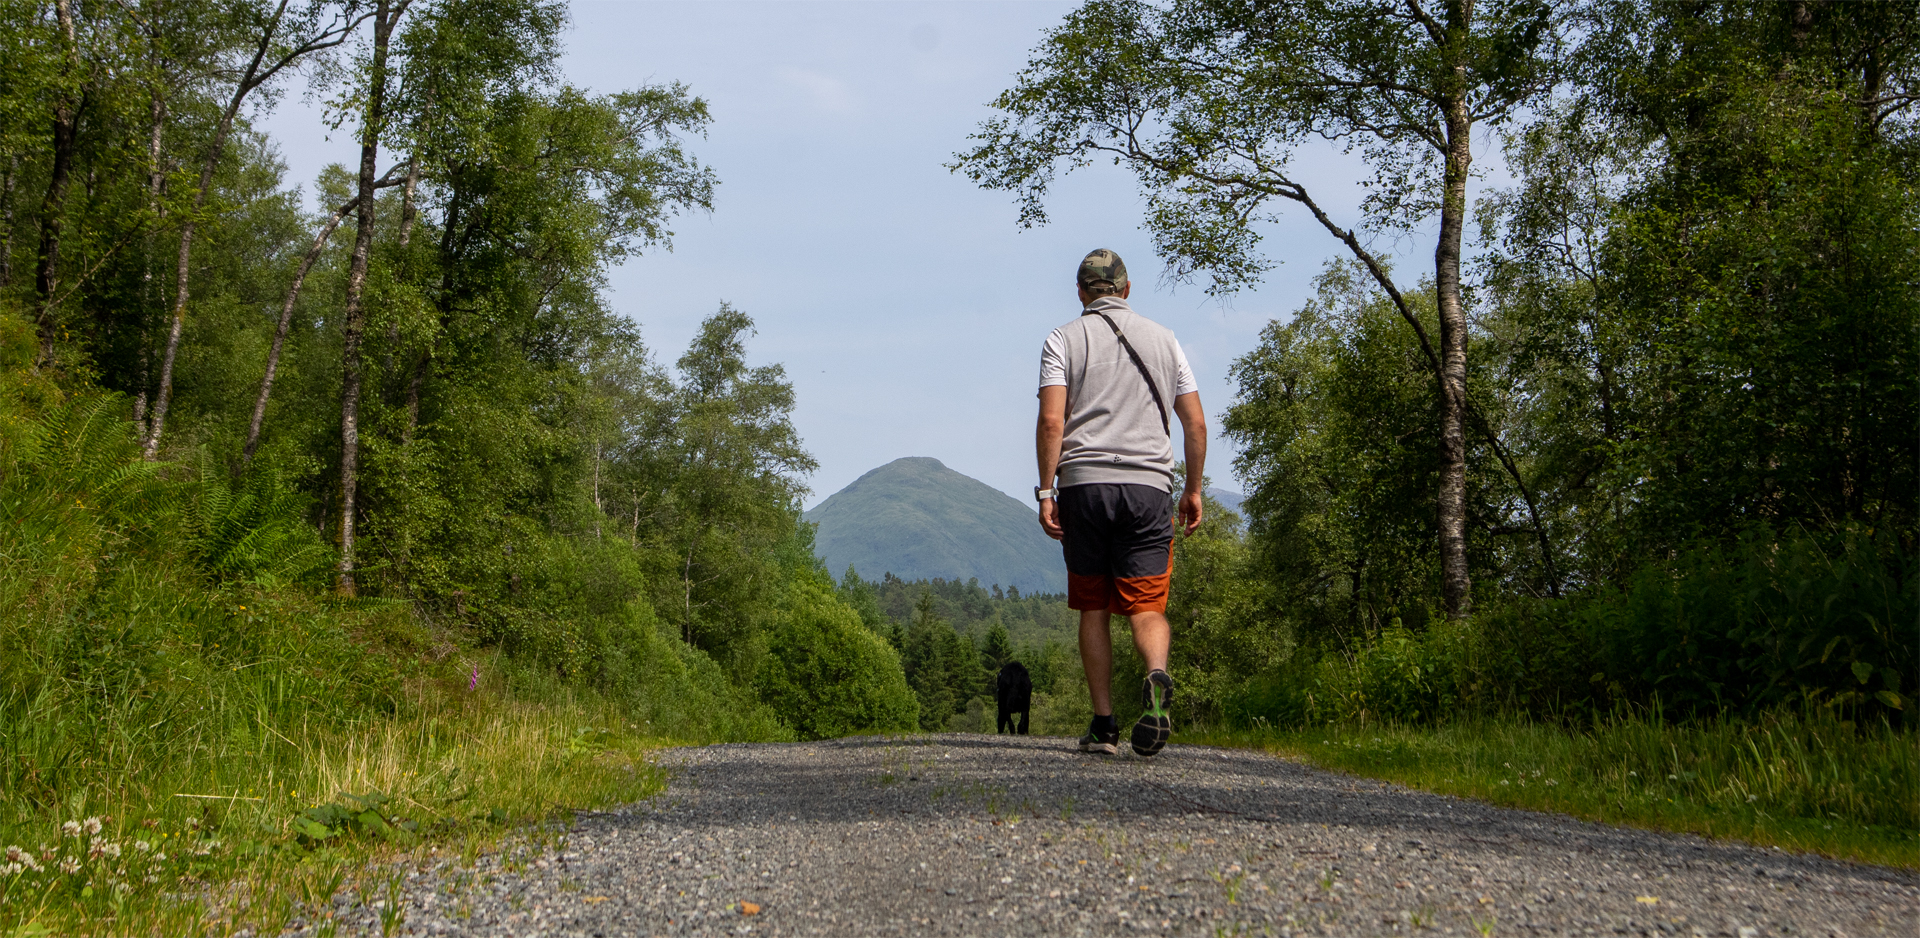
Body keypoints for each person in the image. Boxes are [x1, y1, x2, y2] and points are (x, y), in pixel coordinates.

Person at [1034, 248, 1205, 757]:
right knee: (1146, 606)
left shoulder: (1062, 338)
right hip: (1149, 488)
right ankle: (1155, 676)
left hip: (1084, 486)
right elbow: (1194, 423)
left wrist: (1047, 491)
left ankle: (1104, 727)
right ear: (1127, 290)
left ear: (1082, 293)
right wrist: (1192, 490)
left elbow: (1051, 422)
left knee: (1093, 606)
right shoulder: (1166, 340)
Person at [995, 661, 1032, 735]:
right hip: (1022, 690)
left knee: (1002, 708)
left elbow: (1002, 707)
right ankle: (1023, 728)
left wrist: (1010, 723)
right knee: (1025, 708)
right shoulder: (1024, 676)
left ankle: (1002, 730)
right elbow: (1026, 707)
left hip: (1006, 684)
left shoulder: (1005, 675)